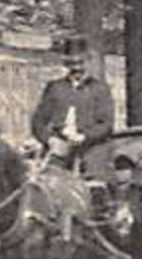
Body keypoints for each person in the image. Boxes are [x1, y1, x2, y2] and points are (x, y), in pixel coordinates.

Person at [30, 35, 115, 178]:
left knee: (95, 181)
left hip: (90, 147)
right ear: (66, 65)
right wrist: (50, 139)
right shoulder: (55, 88)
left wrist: (84, 137)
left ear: (88, 62)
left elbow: (106, 124)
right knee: (45, 180)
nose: (77, 68)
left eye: (80, 63)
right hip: (59, 146)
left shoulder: (100, 89)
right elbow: (38, 122)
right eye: (72, 64)